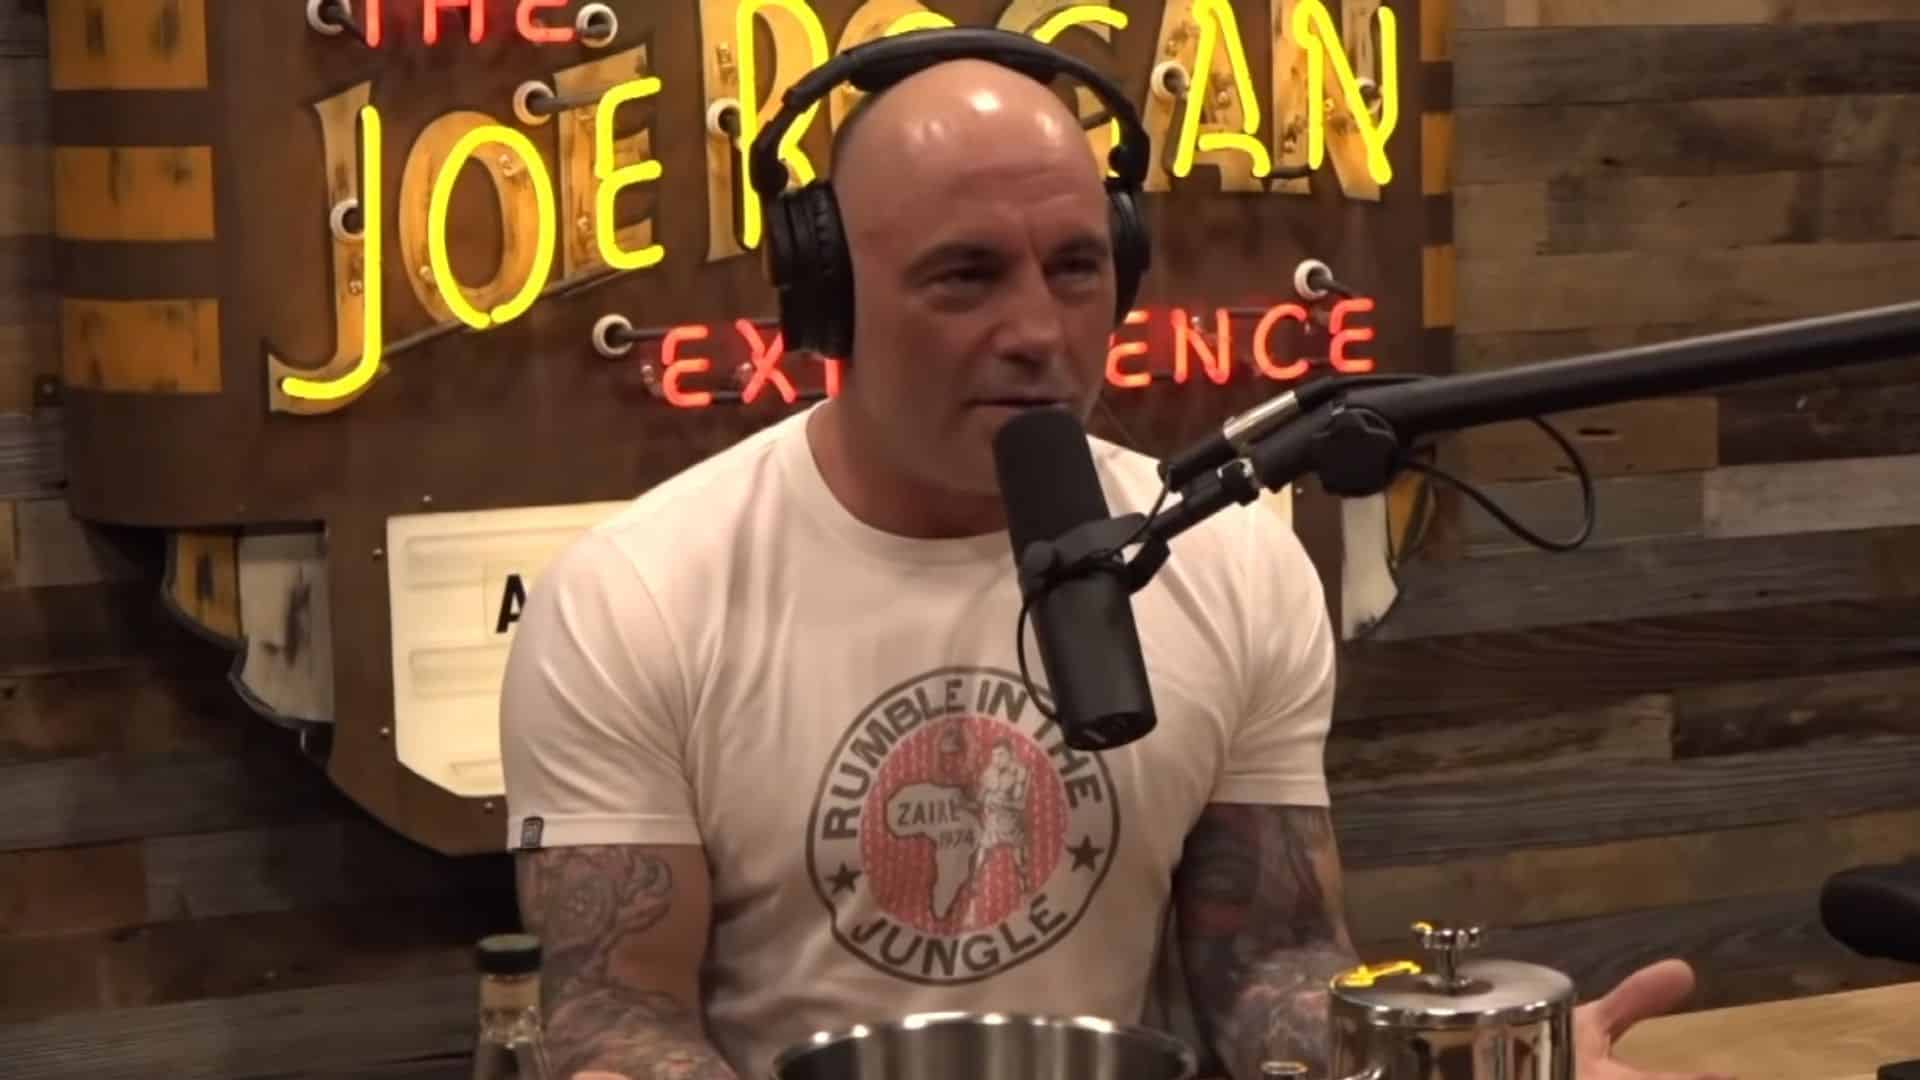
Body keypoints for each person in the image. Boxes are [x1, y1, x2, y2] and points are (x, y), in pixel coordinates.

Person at [499, 44, 1734, 1080]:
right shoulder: (638, 595)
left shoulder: (1229, 561)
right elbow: (612, 1022)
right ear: (828, 300)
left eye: (1076, 268)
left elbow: (1270, 963)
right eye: (965, 275)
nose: (1038, 331)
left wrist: (1454, 1058)